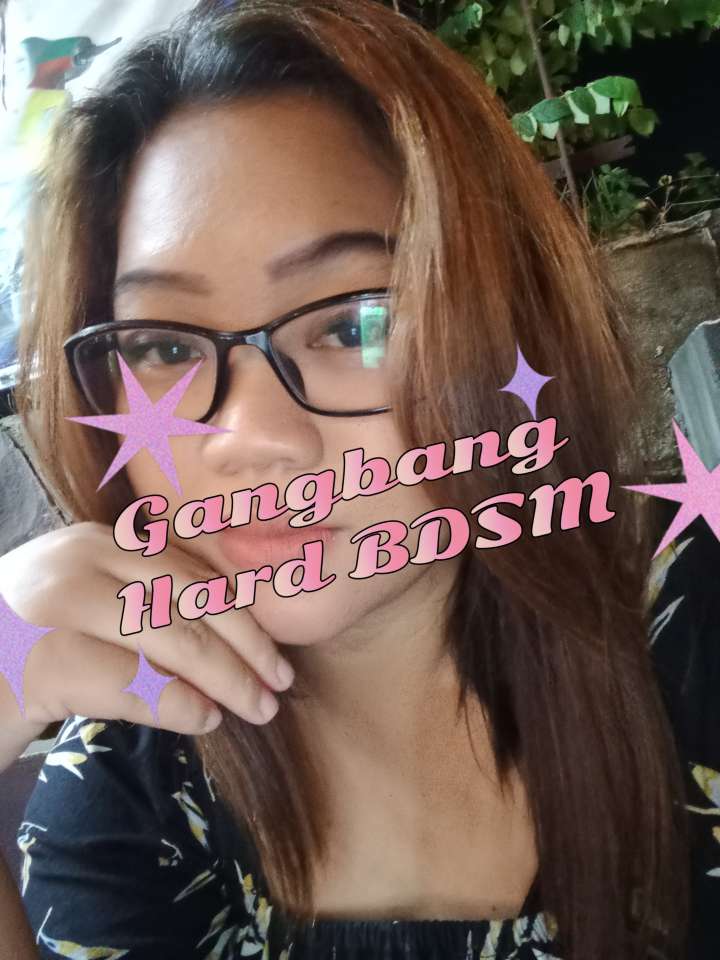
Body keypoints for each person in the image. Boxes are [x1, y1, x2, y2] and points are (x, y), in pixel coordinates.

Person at [0, 1, 716, 957]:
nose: (249, 439)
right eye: (165, 346)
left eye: (351, 325)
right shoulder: (125, 788)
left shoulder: (694, 631)